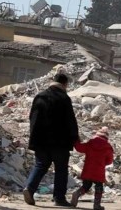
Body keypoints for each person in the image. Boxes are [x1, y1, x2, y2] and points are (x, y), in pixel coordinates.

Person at [23, 73, 79, 207]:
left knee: (40, 165)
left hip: (41, 140)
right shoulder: (64, 98)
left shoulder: (40, 96)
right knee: (61, 169)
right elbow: (70, 120)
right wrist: (75, 137)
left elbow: (33, 118)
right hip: (60, 142)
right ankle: (59, 198)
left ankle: (29, 189)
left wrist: (33, 139)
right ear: (65, 84)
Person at [71, 127, 114, 210]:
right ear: (106, 138)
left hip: (88, 170)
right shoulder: (108, 147)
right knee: (99, 188)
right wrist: (102, 163)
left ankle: (77, 193)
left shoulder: (90, 143)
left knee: (86, 186)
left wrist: (76, 140)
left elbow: (79, 148)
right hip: (99, 172)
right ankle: (96, 205)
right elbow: (109, 161)